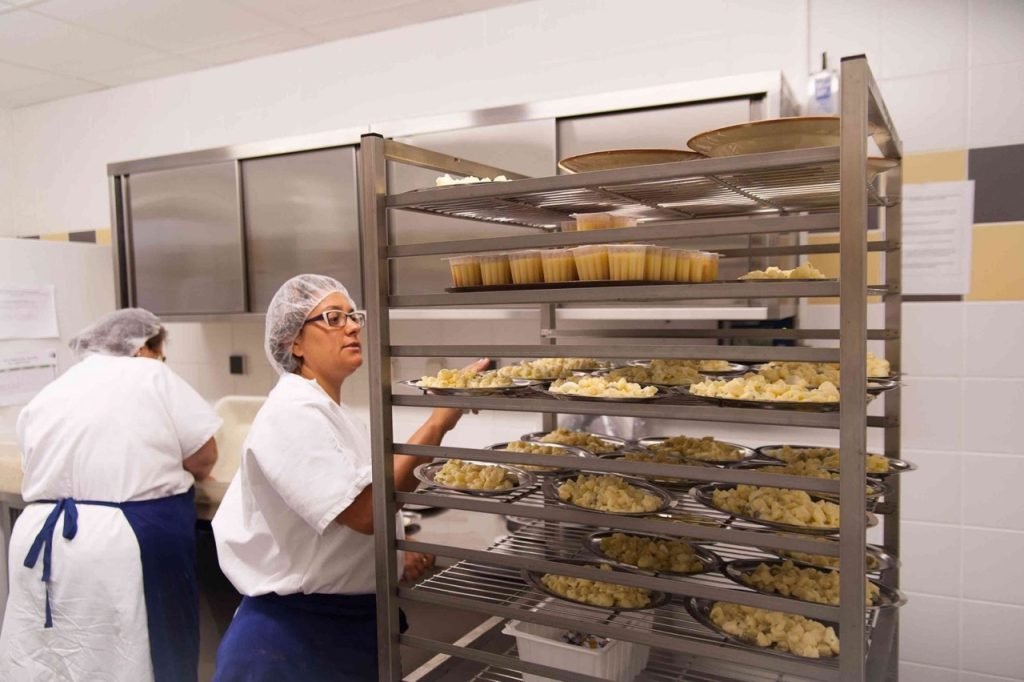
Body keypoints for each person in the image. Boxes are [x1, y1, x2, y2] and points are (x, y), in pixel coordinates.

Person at [211, 274, 481, 681]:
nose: (353, 326)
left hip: (338, 633)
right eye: (333, 318)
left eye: (353, 316)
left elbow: (374, 500)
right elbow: (363, 515)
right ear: (294, 342)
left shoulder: (333, 414)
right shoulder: (292, 413)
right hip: (291, 643)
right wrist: (437, 425)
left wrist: (391, 558)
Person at [0, 308, 221, 682]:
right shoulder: (150, 373)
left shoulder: (55, 388)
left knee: (53, 661)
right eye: (161, 353)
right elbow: (204, 456)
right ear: (142, 348)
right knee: (135, 659)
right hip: (122, 543)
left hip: (40, 539)